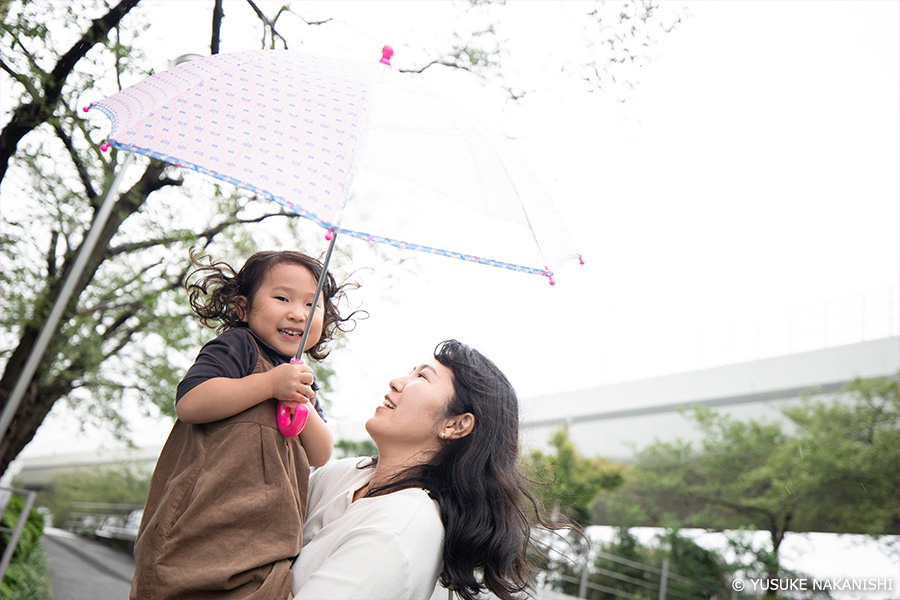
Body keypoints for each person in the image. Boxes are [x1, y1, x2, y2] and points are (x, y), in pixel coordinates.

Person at [130, 249, 360, 600]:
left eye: (312, 306)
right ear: (243, 308)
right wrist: (268, 385)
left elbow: (320, 452)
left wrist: (303, 402)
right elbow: (191, 403)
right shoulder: (239, 346)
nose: (298, 313)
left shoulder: (302, 380)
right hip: (202, 529)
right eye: (282, 298)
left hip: (265, 545)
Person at [290, 339, 564, 600]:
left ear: (456, 425)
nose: (396, 382)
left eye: (422, 377)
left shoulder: (401, 527)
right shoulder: (344, 473)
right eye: (411, 372)